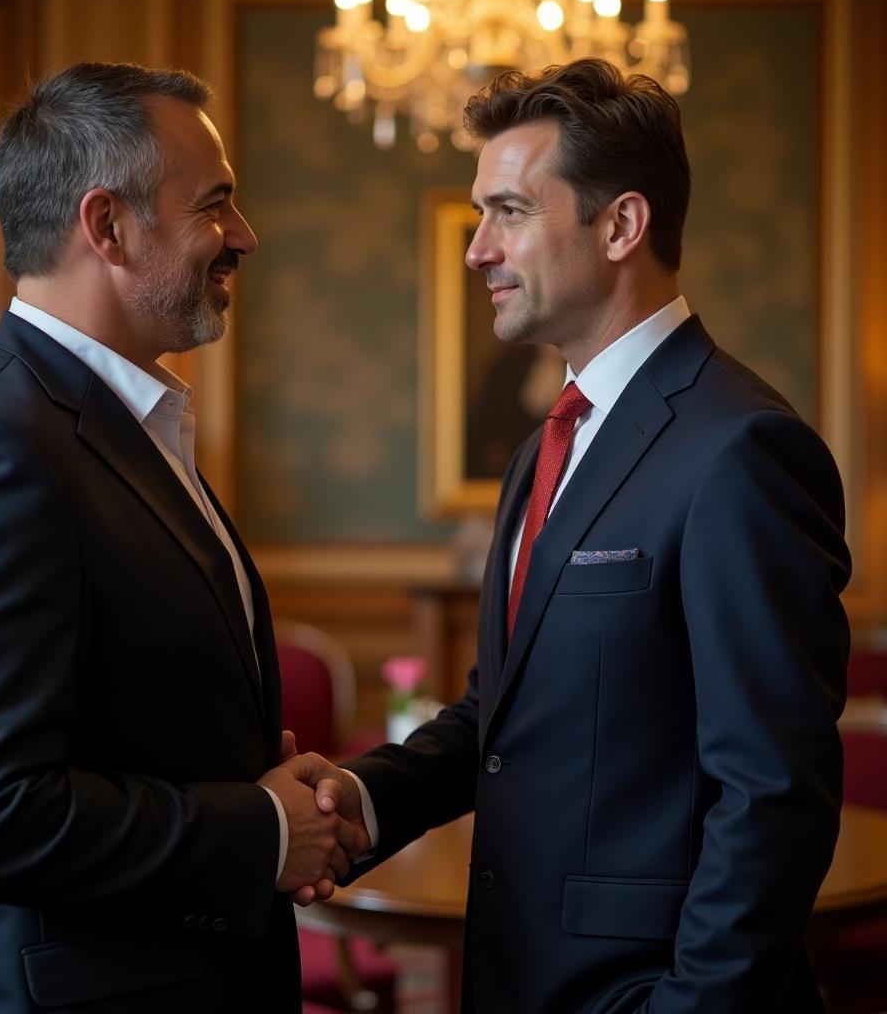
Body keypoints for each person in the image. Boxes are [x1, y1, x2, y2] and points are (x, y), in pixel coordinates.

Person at [312, 58, 851, 1012]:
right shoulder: (544, 449)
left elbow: (772, 793)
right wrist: (365, 799)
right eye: (481, 215)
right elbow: (503, 718)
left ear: (621, 226)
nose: (478, 249)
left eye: (509, 211)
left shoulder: (744, 449)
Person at [0, 62, 364, 1013]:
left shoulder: (119, 424)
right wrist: (260, 827)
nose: (244, 237)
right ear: (107, 226)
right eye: (214, 204)